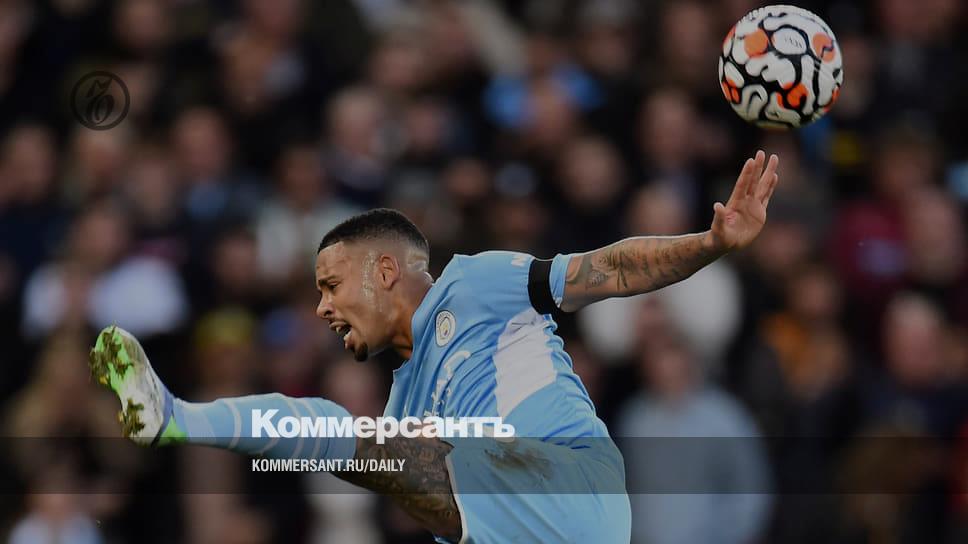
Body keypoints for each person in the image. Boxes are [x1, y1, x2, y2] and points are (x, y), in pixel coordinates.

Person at [89, 151, 780, 543]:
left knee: (343, 435)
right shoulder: (406, 408)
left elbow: (613, 270)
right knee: (368, 443)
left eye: (331, 285)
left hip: (570, 486)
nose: (322, 307)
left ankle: (175, 416)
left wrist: (711, 243)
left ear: (385, 271)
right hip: (515, 523)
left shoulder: (475, 283)